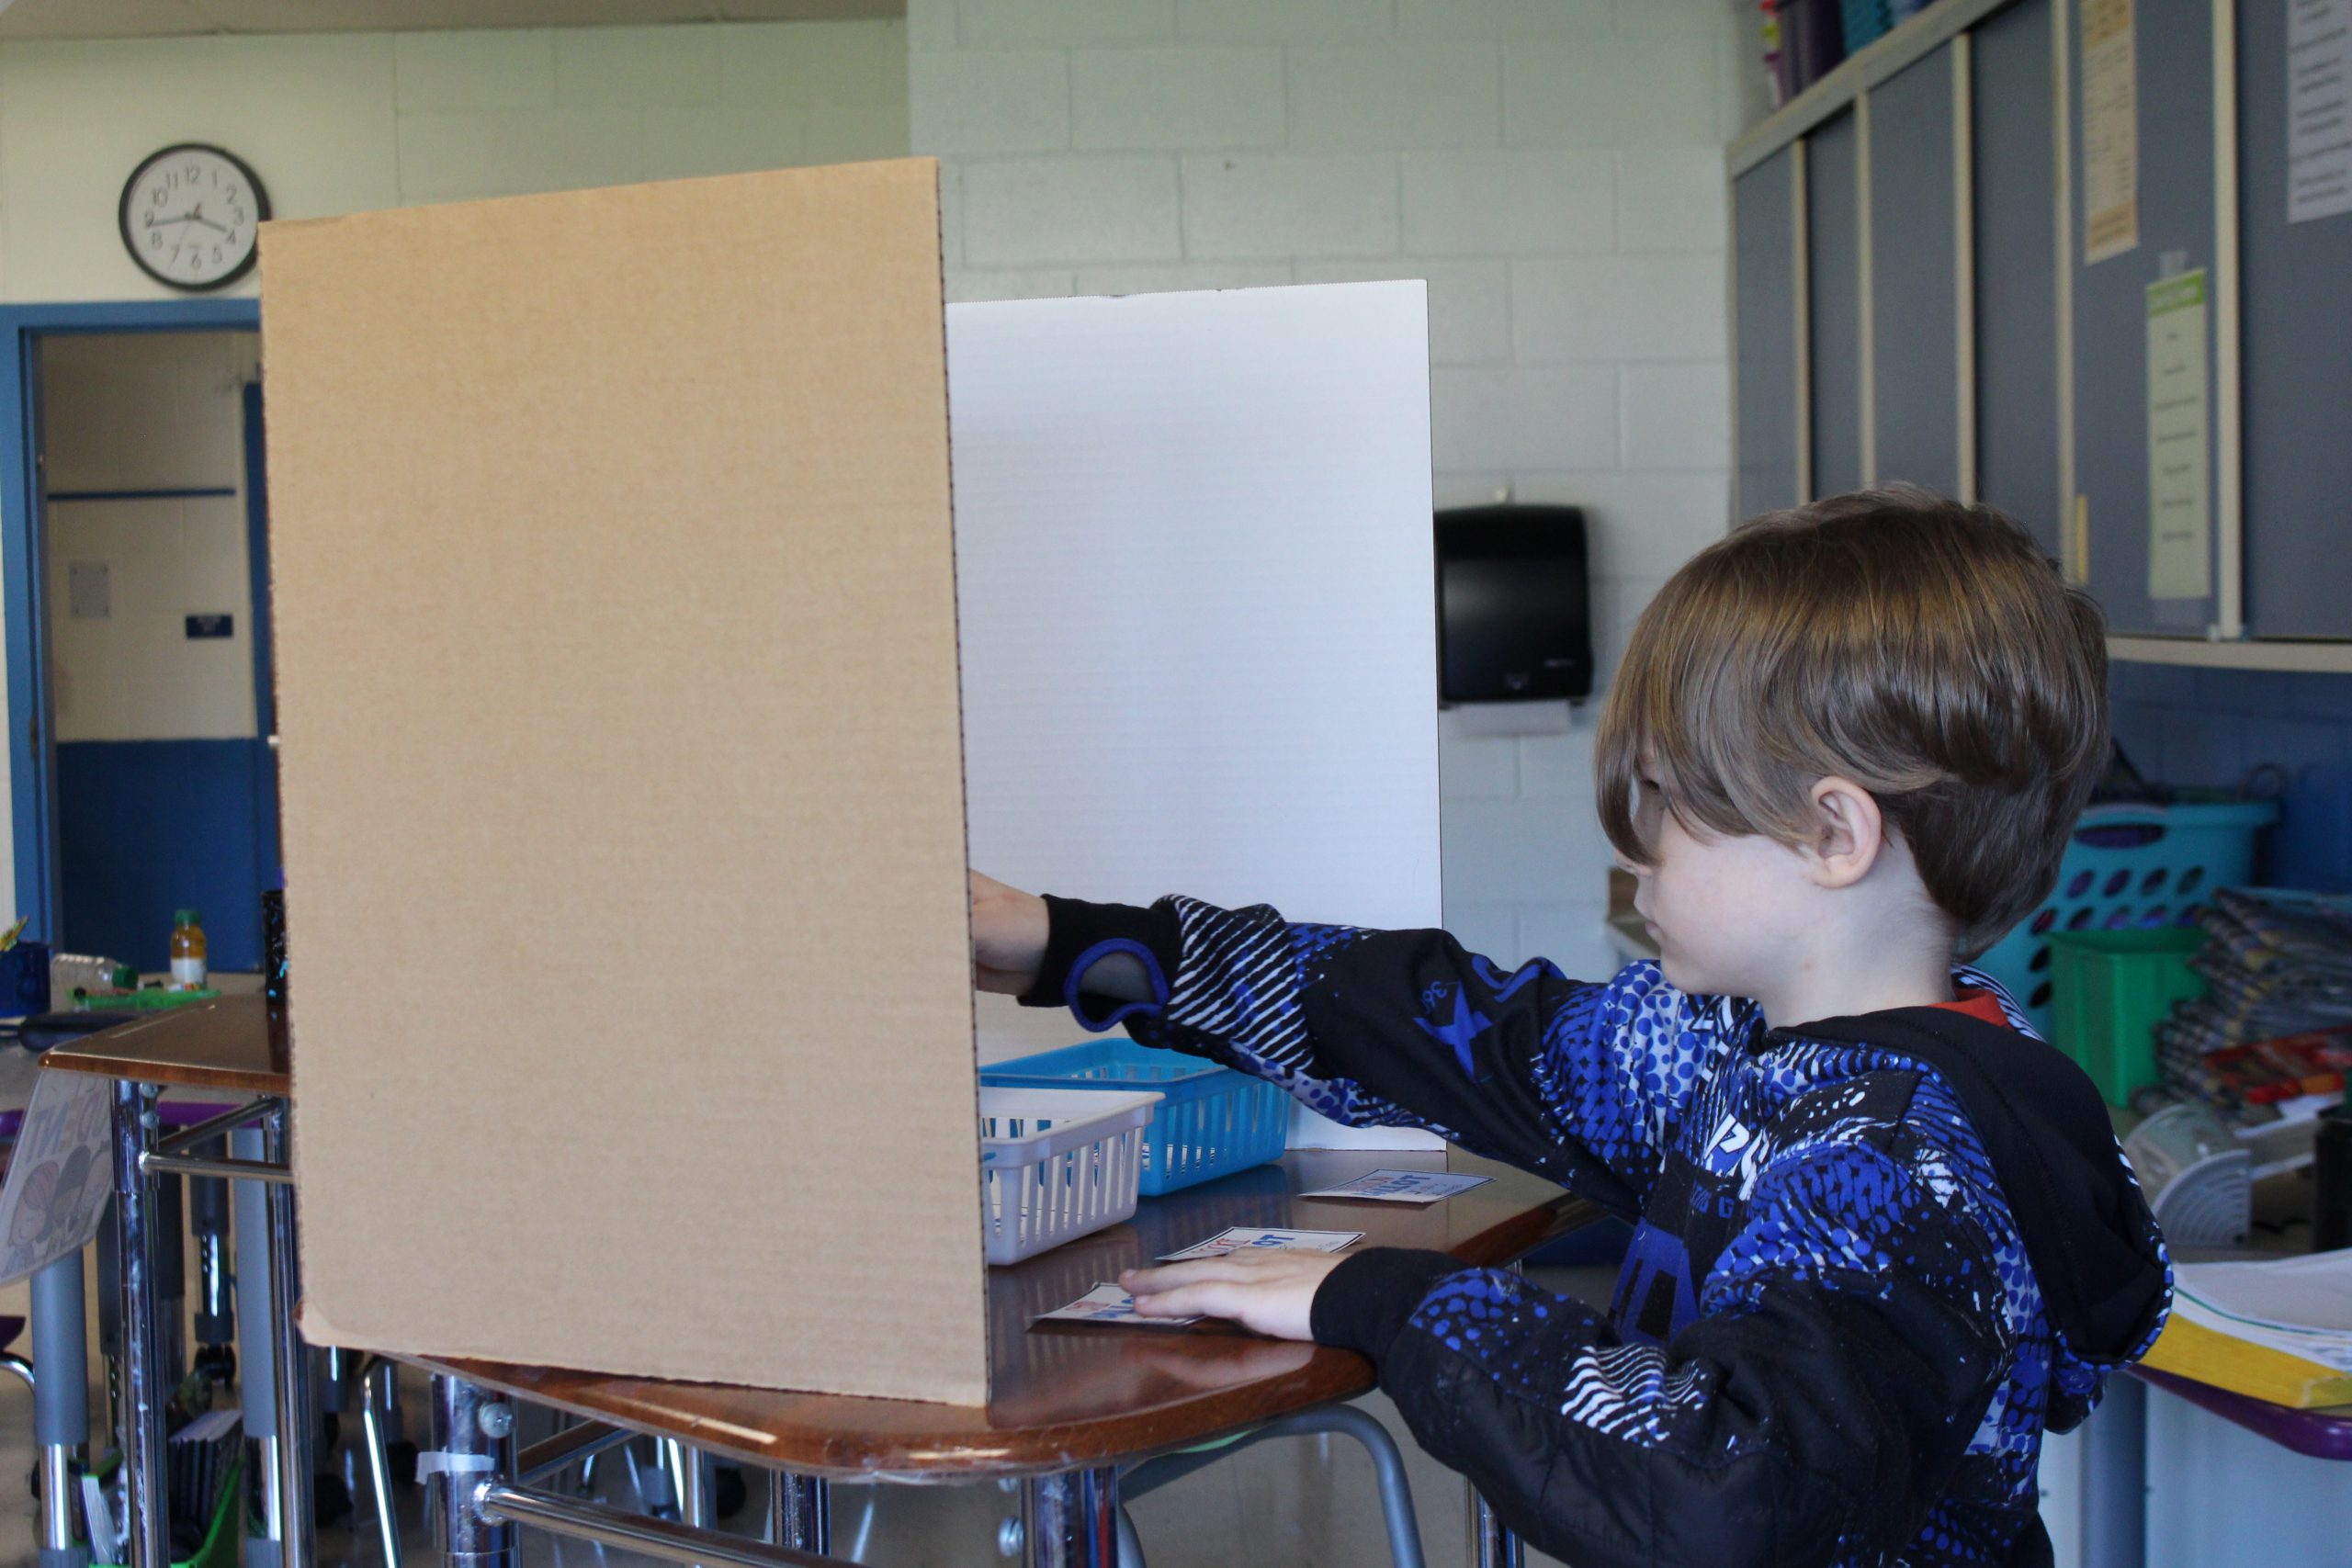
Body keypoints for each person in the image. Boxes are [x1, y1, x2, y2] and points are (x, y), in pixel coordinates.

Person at [968, 486, 2171, 1567]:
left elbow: (1725, 1482)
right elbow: (1422, 1023)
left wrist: (1382, 1299)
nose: (1630, 855)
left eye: (1668, 806)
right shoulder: (1731, 1047)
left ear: (1831, 836)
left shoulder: (1905, 1164)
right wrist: (1067, 942)